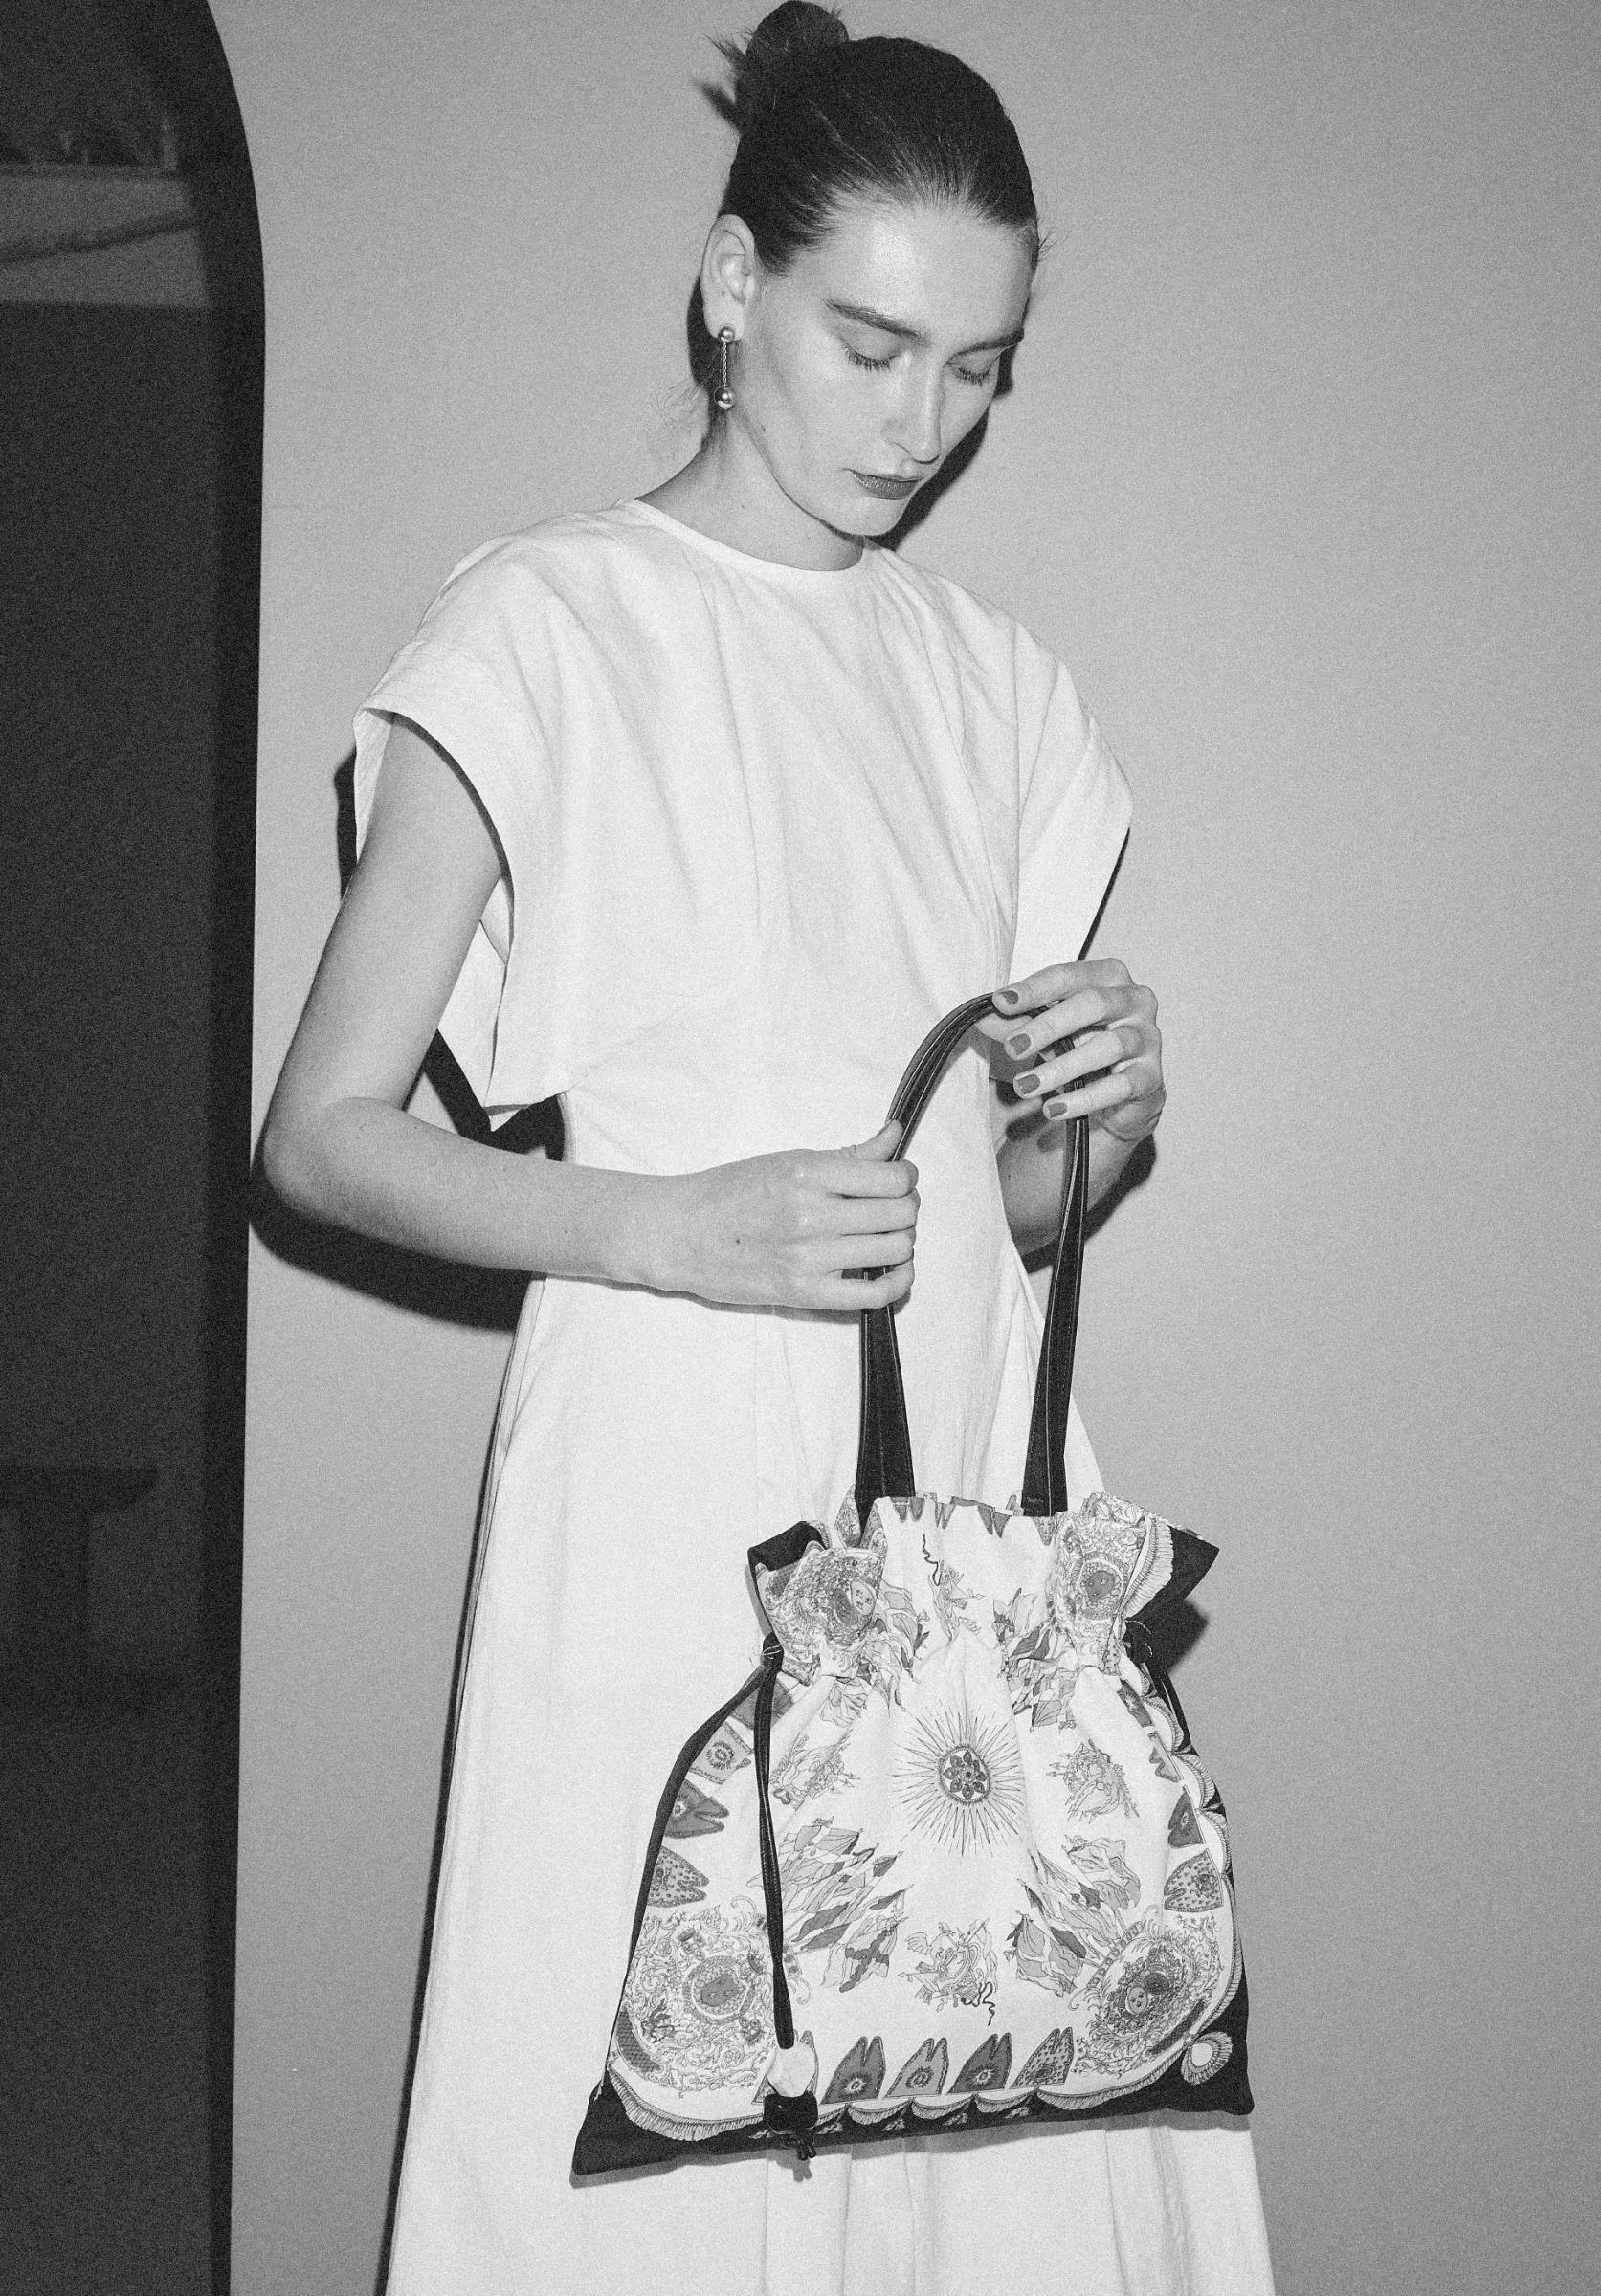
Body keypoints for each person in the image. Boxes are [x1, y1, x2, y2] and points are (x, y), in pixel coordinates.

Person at [263, 7, 1275, 2289]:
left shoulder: (997, 686)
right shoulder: (537, 630)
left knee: (991, 2105)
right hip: (662, 1484)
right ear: (732, 286)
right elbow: (317, 1138)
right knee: (651, 2139)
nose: (919, 426)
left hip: (968, 1506)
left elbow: (1007, 1219)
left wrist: (1094, 1121)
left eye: (975, 369)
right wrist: (674, 1227)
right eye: (869, 346)